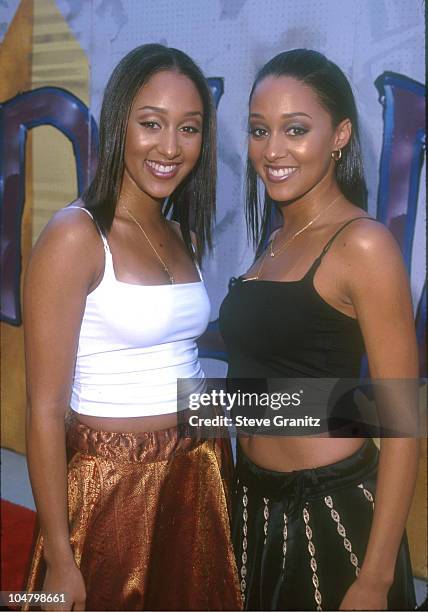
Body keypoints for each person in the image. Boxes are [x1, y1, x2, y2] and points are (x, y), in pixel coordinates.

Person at [24, 44, 241, 611]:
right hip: (111, 482)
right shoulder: (75, 236)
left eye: (189, 128)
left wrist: (326, 411)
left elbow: (179, 366)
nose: (170, 147)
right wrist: (61, 560)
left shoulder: (182, 235)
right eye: (152, 124)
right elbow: (45, 413)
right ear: (119, 121)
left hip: (199, 465)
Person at [219, 49, 418, 611]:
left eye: (296, 129)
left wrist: (376, 578)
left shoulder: (363, 244)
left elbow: (400, 421)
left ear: (341, 134)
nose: (273, 150)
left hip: (332, 514)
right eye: (260, 130)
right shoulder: (276, 239)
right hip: (252, 506)